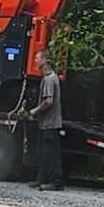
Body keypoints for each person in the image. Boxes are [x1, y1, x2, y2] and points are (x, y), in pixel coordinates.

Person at [29, 48, 64, 191]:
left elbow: (48, 101)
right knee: (43, 153)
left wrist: (35, 110)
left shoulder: (49, 79)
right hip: (46, 124)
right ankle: (41, 179)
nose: (35, 60)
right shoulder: (49, 77)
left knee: (50, 154)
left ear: (44, 60)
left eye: (37, 58)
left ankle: (55, 182)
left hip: (50, 124)